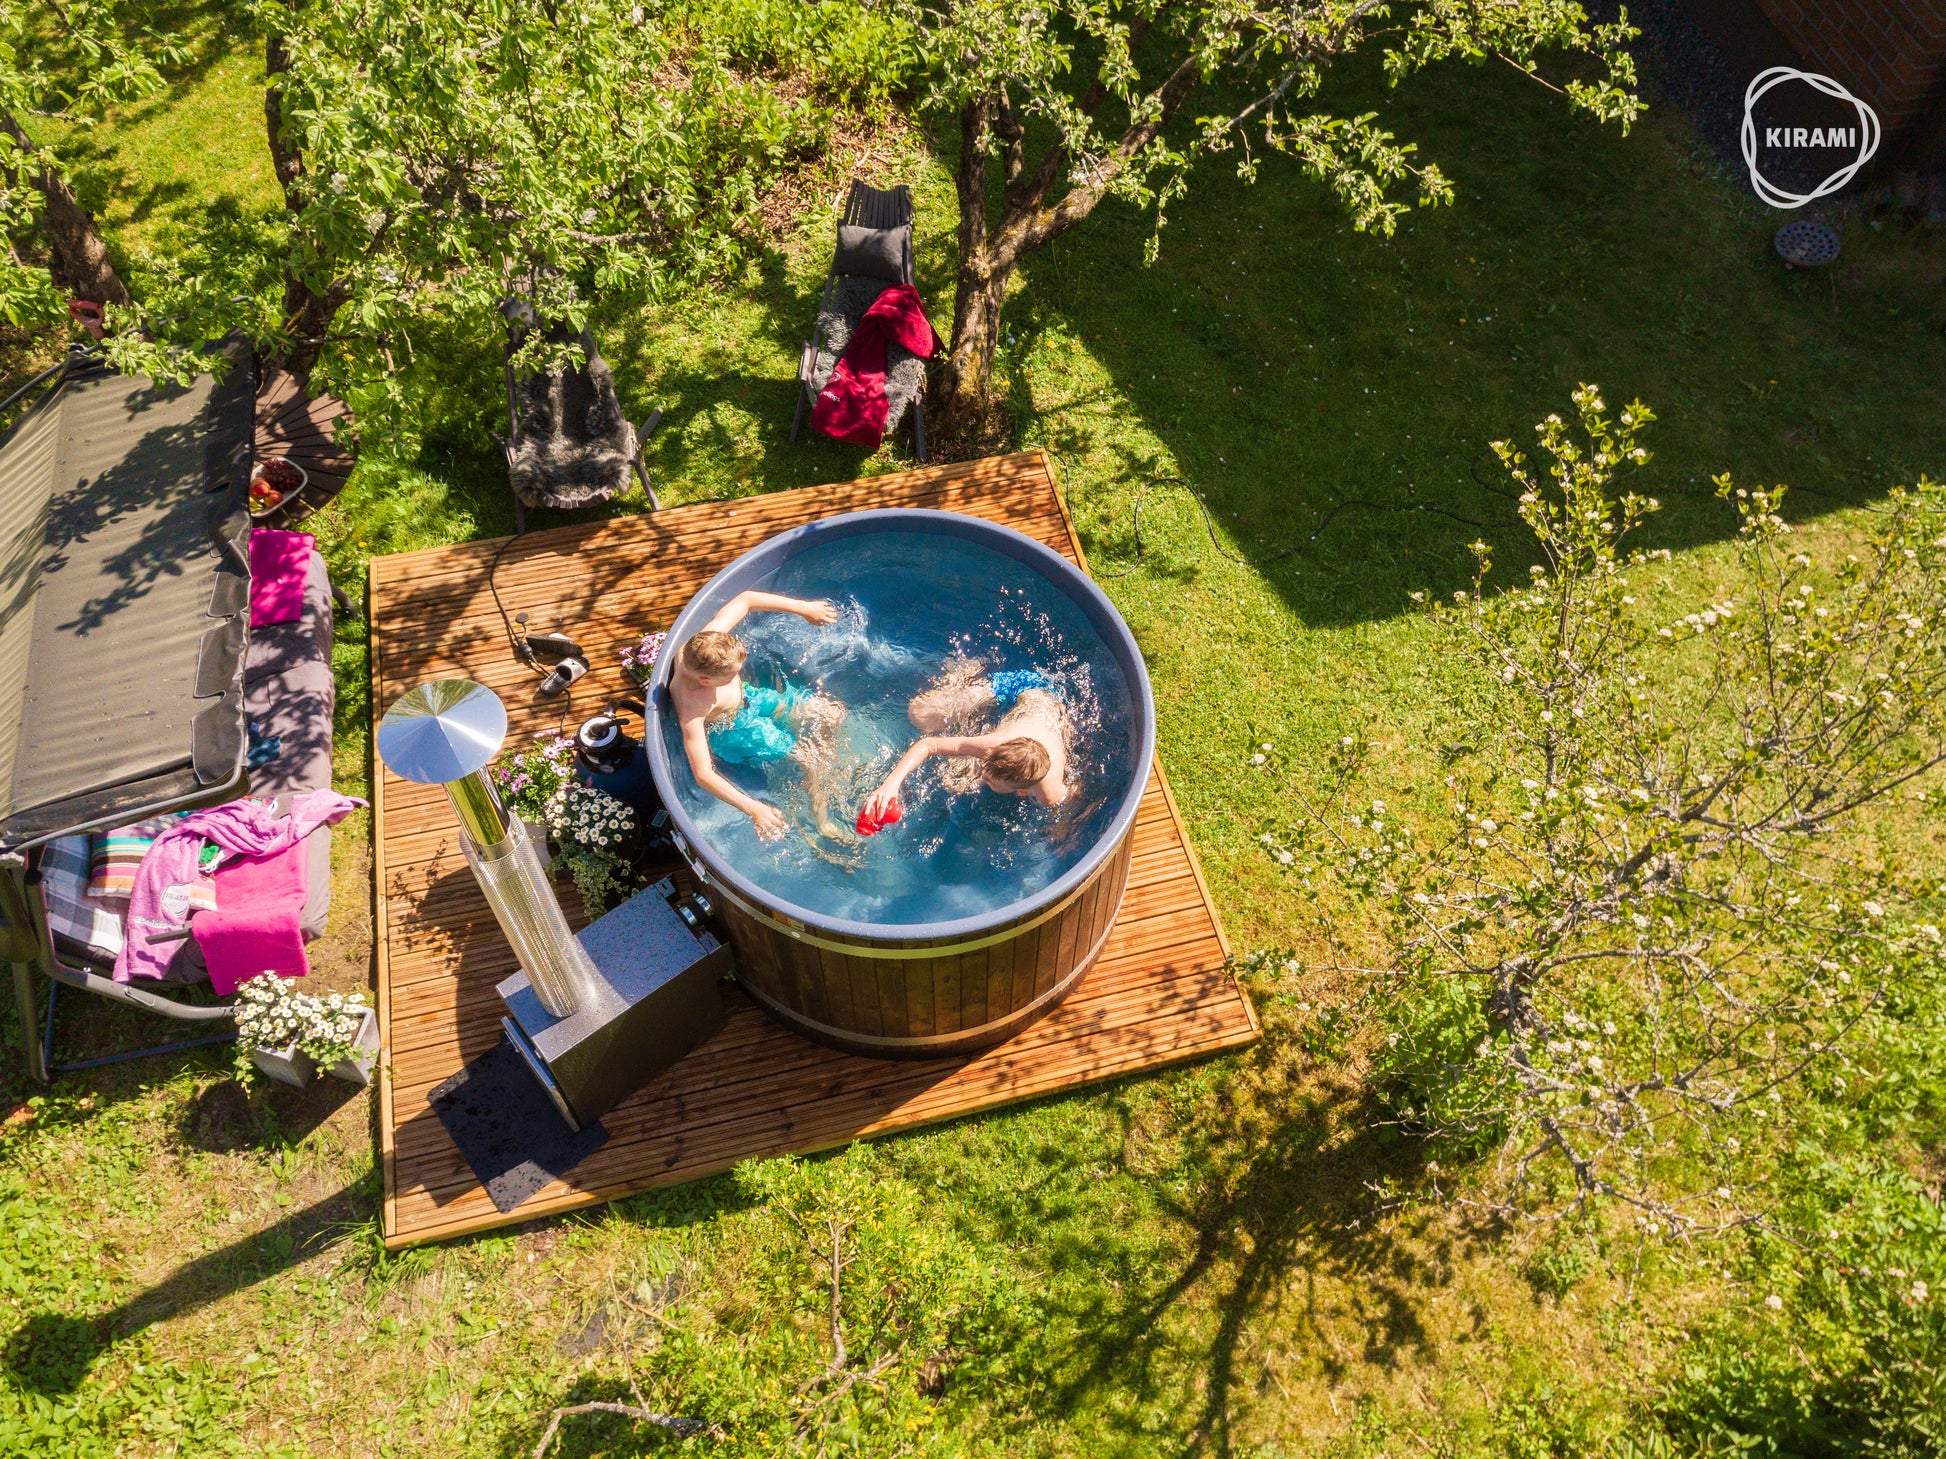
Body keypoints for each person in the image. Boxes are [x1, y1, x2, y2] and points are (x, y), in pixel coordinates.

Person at [670, 590, 844, 839]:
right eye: (730, 675)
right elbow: (703, 774)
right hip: (737, 727)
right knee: (812, 760)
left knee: (833, 714)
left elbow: (746, 599)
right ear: (705, 681)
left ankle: (815, 759)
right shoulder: (691, 707)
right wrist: (753, 808)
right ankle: (822, 823)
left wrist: (804, 607)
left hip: (752, 698)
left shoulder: (705, 644)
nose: (736, 675)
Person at [860, 660, 1069, 822]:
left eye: (991, 781)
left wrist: (1060, 827)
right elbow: (929, 744)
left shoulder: (1050, 794)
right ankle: (967, 670)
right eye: (987, 767)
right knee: (920, 713)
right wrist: (890, 784)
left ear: (1023, 792)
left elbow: (1070, 796)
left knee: (955, 781)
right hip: (1021, 688)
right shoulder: (994, 745)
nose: (984, 774)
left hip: (1050, 709)